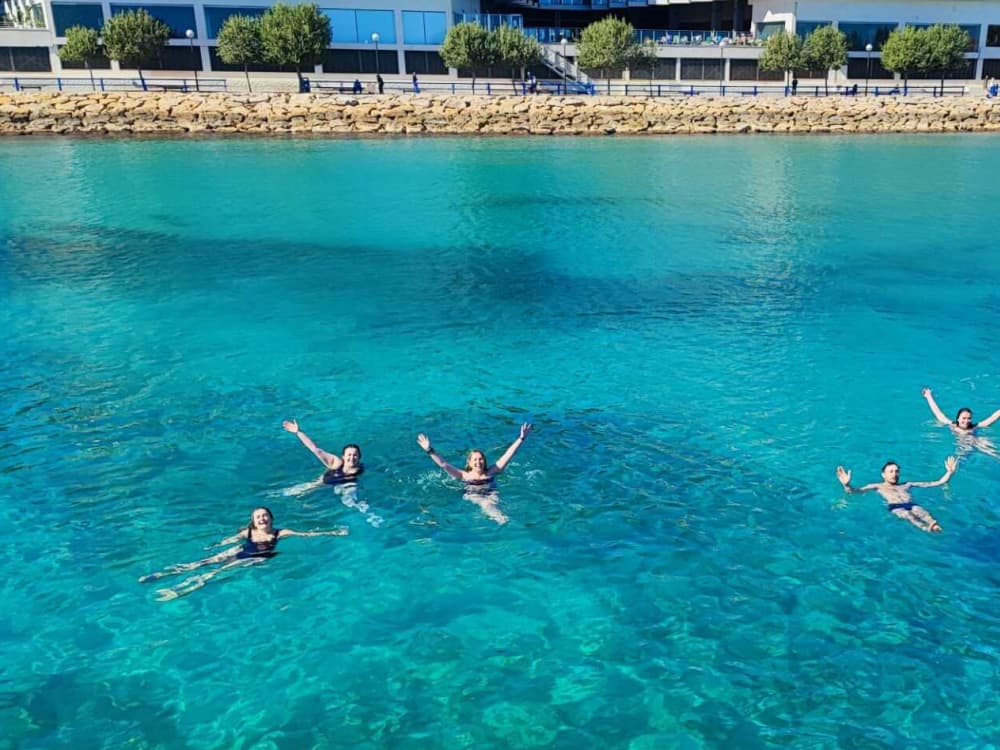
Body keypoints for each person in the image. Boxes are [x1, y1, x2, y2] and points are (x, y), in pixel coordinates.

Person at [139, 507, 348, 600]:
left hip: (257, 558)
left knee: (219, 570)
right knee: (202, 562)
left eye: (265, 516)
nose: (262, 519)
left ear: (271, 518)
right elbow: (229, 541)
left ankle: (183, 588)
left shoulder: (281, 533)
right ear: (253, 520)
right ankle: (160, 575)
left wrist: (334, 532)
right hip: (243, 550)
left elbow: (307, 535)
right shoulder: (247, 532)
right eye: (258, 517)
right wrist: (213, 548)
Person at [416, 423, 533, 524]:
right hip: (473, 494)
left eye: (481, 459)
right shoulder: (463, 475)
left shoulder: (492, 471)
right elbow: (443, 464)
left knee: (494, 502)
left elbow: (509, 454)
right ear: (470, 463)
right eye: (475, 460)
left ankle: (502, 518)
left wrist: (521, 438)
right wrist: (429, 450)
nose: (478, 462)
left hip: (491, 492)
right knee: (486, 503)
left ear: (485, 461)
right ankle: (503, 521)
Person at [836, 457, 957, 533]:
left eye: (896, 471)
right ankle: (925, 529)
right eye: (891, 471)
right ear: (883, 474)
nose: (894, 474)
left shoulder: (907, 485)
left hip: (910, 504)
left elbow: (937, 483)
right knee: (908, 515)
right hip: (896, 507)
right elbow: (855, 491)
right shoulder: (877, 486)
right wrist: (847, 485)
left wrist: (949, 472)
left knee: (920, 510)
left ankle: (934, 525)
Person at [283, 419, 363, 485]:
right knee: (298, 491)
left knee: (350, 495)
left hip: (347, 484)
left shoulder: (360, 469)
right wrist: (298, 432)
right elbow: (315, 449)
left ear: (359, 457)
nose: (352, 458)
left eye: (355, 455)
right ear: (343, 456)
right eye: (349, 455)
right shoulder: (336, 463)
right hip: (323, 483)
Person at [921, 388, 1000, 434]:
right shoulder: (952, 425)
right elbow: (938, 413)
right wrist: (928, 396)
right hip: (962, 446)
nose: (966, 421)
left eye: (969, 418)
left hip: (975, 442)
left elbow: (993, 417)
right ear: (958, 419)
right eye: (964, 418)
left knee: (986, 445)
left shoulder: (975, 427)